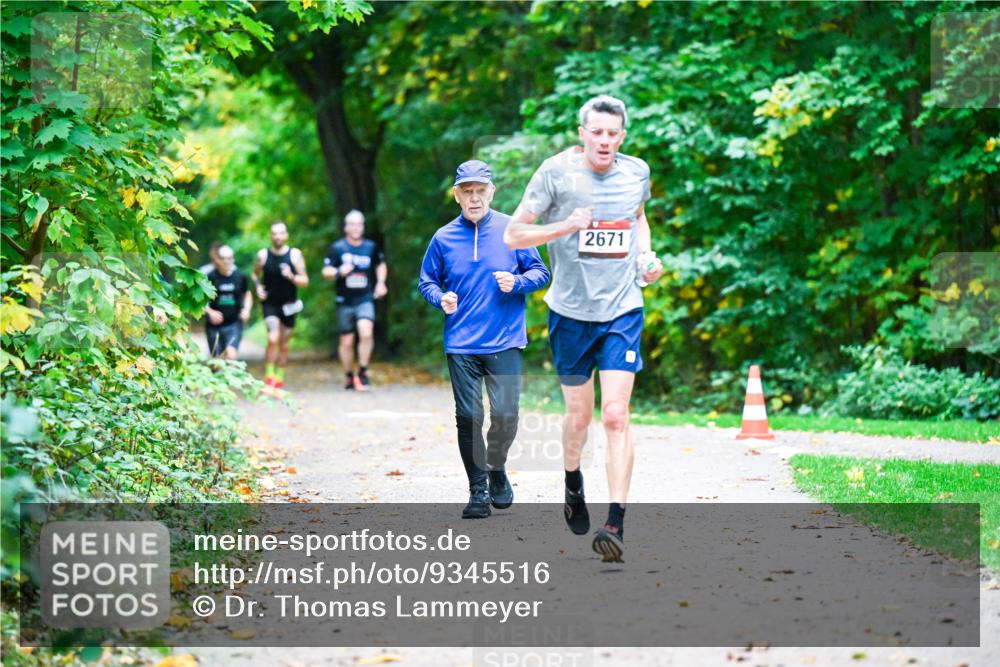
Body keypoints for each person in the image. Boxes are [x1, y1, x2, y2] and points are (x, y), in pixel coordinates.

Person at [503, 95, 664, 562]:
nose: (605, 141)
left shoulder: (636, 172)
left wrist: (646, 258)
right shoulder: (555, 173)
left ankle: (615, 523)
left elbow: (639, 220)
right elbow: (514, 234)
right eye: (597, 132)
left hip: (622, 309)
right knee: (580, 416)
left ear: (623, 136)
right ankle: (573, 479)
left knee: (615, 413)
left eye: (613, 134)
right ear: (582, 133)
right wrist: (564, 228)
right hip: (571, 314)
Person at [419, 160, 550, 519]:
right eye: (467, 191)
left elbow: (541, 272)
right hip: (461, 342)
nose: (474, 198)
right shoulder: (443, 237)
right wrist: (439, 298)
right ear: (457, 196)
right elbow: (426, 281)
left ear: (491, 192)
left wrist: (518, 282)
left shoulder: (513, 229)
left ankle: (496, 467)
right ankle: (478, 490)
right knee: (468, 416)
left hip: (505, 340)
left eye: (480, 191)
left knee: (506, 415)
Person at [322, 210, 388, 391]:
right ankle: (349, 376)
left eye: (359, 224)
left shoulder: (371, 247)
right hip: (344, 300)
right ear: (346, 227)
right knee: (347, 341)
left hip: (365, 298)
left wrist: (381, 283)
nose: (356, 227)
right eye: (352, 224)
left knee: (366, 332)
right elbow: (325, 271)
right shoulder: (338, 248)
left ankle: (363, 372)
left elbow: (380, 265)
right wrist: (338, 271)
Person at [252, 221, 309, 390]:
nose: (277, 236)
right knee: (272, 338)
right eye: (274, 233)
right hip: (270, 304)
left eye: (281, 233)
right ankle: (269, 377)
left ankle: (279, 378)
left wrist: (291, 276)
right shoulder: (263, 255)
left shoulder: (294, 255)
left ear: (286, 235)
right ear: (270, 236)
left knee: (284, 343)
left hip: (289, 305)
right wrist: (258, 287)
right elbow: (255, 275)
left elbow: (305, 281)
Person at [204, 244, 252, 360]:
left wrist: (246, 310)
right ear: (217, 259)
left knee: (231, 356)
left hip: (234, 323)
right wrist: (210, 312)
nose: (226, 261)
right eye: (223, 258)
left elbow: (247, 295)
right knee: (216, 363)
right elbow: (200, 302)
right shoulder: (209, 278)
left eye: (229, 258)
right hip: (213, 326)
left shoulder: (240, 277)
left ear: (233, 259)